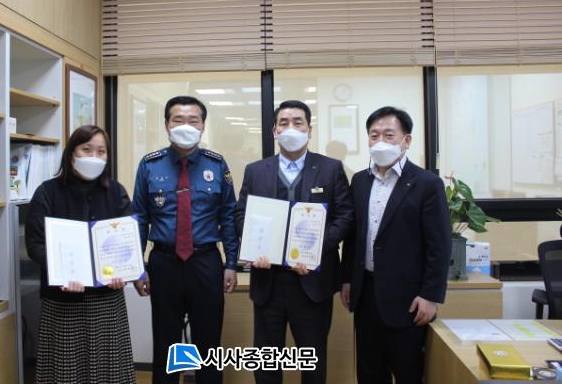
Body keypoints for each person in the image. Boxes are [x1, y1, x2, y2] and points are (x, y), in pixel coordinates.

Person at [235, 100, 352, 384]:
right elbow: (241, 215)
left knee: (312, 362)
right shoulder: (255, 170)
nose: (291, 128)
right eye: (284, 123)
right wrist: (255, 248)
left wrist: (315, 251)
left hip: (312, 283)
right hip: (268, 282)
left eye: (298, 122)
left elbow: (345, 216)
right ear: (274, 130)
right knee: (266, 361)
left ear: (309, 130)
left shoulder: (330, 168)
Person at [339, 106, 451, 384]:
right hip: (365, 294)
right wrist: (347, 279)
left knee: (408, 373)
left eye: (389, 135)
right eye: (374, 135)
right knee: (369, 373)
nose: (380, 141)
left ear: (406, 140)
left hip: (408, 300)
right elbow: (354, 236)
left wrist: (430, 295)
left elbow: (439, 245)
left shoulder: (427, 183)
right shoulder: (360, 181)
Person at [132, 96, 238, 384]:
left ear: (203, 126)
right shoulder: (150, 164)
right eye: (178, 119)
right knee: (166, 344)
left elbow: (228, 216)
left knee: (208, 345)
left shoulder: (217, 164)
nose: (186, 126)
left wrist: (231, 263)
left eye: (193, 120)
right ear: (167, 124)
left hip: (205, 262)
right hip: (164, 263)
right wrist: (137, 267)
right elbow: (139, 218)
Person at [25, 125, 135, 384]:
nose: (94, 157)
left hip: (106, 299)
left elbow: (127, 242)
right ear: (71, 153)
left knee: (109, 370)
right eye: (87, 149)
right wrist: (62, 272)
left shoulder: (116, 191)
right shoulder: (47, 192)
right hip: (63, 300)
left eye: (101, 151)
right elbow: (35, 245)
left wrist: (123, 272)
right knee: (66, 371)